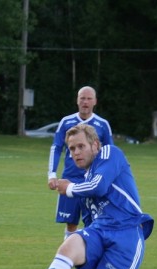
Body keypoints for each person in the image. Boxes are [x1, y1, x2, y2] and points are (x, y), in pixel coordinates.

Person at [15, 124, 154, 269]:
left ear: (95, 145)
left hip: (128, 235)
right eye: (71, 149)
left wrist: (69, 188)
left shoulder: (110, 154)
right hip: (100, 229)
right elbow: (89, 224)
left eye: (80, 146)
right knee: (69, 245)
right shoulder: (84, 184)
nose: (75, 152)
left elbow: (99, 187)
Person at [48, 86, 114, 239]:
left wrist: (109, 178)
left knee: (93, 222)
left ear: (95, 101)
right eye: (82, 98)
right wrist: (52, 174)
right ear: (77, 100)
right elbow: (56, 147)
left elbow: (110, 153)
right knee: (71, 223)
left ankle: (90, 255)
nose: (85, 102)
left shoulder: (102, 124)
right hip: (69, 179)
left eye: (89, 98)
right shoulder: (66, 122)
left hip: (93, 181)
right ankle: (69, 259)